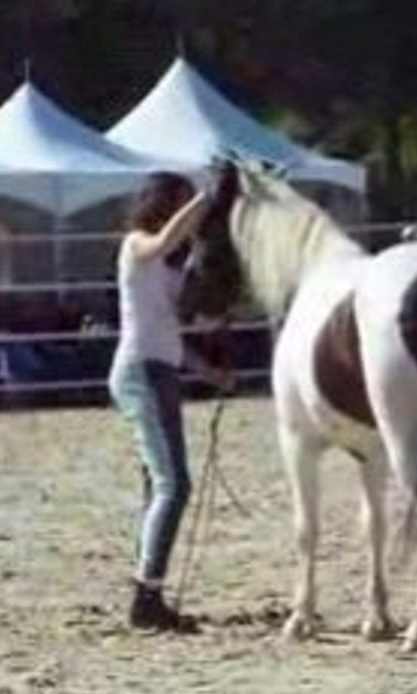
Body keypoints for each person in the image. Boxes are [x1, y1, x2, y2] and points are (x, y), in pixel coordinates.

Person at [107, 172, 233, 633]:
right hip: (142, 373)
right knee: (173, 485)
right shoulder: (137, 245)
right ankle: (147, 595)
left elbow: (174, 332)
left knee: (159, 484)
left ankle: (146, 587)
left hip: (158, 371)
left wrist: (211, 370)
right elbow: (163, 240)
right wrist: (207, 196)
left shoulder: (167, 271)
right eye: (182, 204)